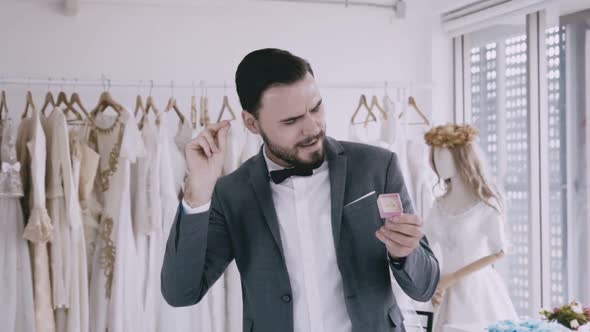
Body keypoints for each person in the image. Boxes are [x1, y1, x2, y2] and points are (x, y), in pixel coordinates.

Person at [161, 48, 440, 332]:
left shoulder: (377, 167)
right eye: (291, 121)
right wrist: (198, 192)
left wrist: (405, 253)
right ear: (251, 123)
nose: (311, 128)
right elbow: (181, 293)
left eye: (316, 108)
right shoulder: (232, 193)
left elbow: (425, 286)